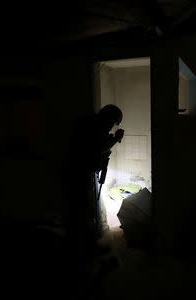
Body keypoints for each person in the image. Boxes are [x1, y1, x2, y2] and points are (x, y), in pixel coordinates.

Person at [63, 104, 124, 298]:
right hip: (76, 175)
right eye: (112, 123)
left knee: (87, 211)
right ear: (108, 117)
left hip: (83, 174)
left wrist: (111, 140)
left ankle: (89, 247)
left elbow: (99, 145)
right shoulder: (91, 127)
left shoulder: (92, 125)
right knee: (80, 212)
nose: (110, 128)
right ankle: (79, 255)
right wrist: (115, 140)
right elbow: (97, 146)